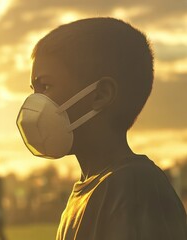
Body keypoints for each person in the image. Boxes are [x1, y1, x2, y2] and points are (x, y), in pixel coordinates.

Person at [16, 17, 187, 240]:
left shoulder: (133, 184)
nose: (34, 102)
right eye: (33, 90)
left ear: (100, 95)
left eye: (45, 86)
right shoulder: (84, 192)